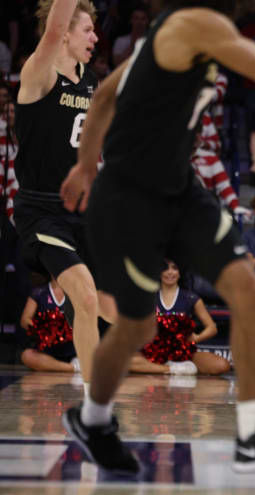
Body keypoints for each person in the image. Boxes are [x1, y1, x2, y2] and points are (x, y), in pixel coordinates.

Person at [59, 0, 255, 474]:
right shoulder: (195, 22)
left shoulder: (162, 37)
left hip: (180, 189)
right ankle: (92, 417)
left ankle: (250, 435)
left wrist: (83, 165)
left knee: (247, 288)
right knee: (137, 327)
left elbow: (104, 98)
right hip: (131, 200)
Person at [13, 0, 111, 393]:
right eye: (87, 30)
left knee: (113, 306)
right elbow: (50, 32)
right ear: (65, 33)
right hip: (41, 209)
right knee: (86, 298)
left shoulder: (89, 79)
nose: (96, 37)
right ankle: (93, 405)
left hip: (82, 209)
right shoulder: (39, 72)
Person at [129, 260, 231, 376]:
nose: (170, 272)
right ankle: (171, 369)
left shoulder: (191, 297)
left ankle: (173, 366)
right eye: (165, 268)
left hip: (183, 352)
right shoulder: (148, 297)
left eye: (174, 268)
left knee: (222, 365)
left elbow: (212, 327)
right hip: (153, 353)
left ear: (180, 272)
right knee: (126, 362)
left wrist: (196, 338)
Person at [19, 279, 79, 373]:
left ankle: (75, 363)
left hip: (74, 349)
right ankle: (73, 368)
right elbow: (25, 320)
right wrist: (45, 328)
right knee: (27, 356)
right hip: (48, 351)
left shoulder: (77, 291)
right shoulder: (39, 292)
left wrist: (66, 329)